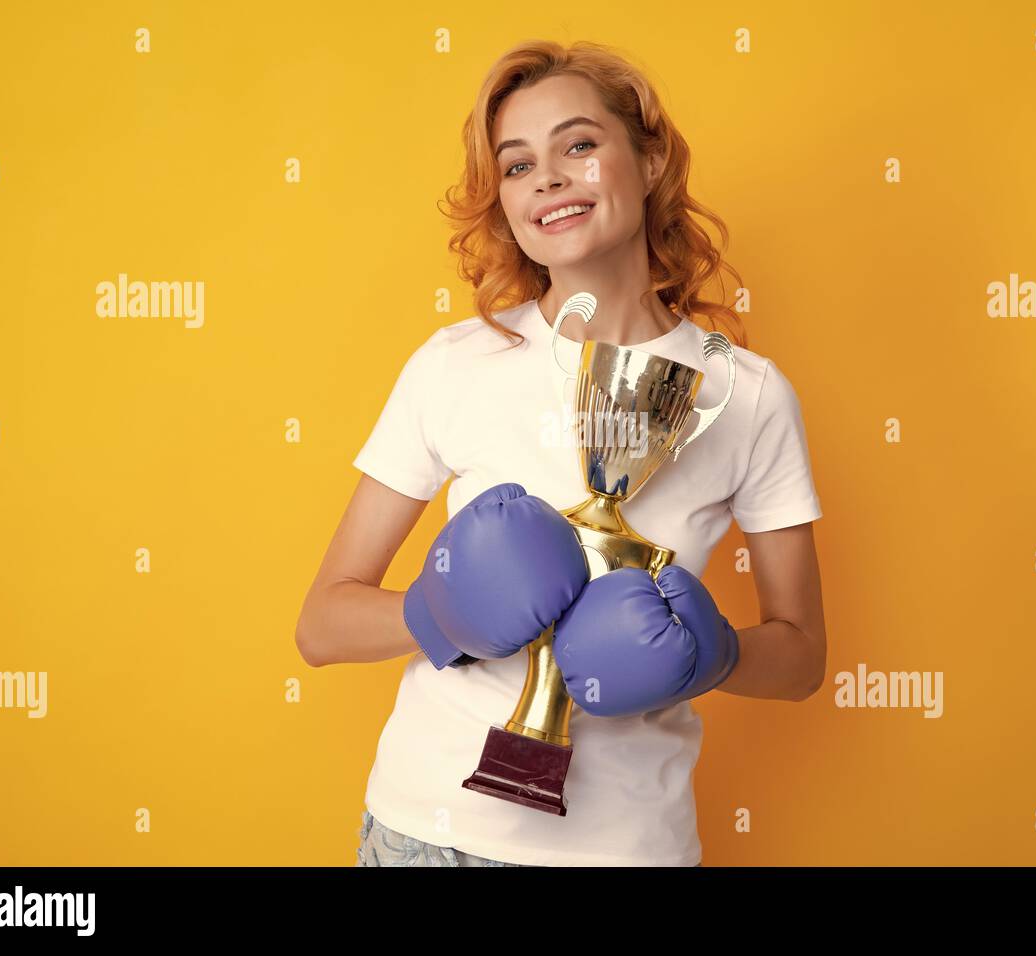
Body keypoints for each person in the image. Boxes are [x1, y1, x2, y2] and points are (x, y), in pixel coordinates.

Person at [295, 39, 828, 868]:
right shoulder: (456, 364)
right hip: (426, 836)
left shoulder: (745, 395)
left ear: (649, 159)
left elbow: (799, 659)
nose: (546, 178)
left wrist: (709, 652)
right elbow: (321, 624)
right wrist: (435, 614)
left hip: (629, 850)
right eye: (516, 164)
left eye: (579, 145)